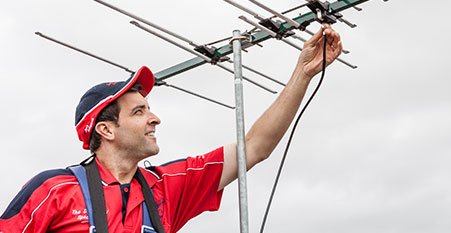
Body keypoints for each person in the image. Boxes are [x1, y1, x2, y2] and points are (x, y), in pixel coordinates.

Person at [0, 24, 342, 233]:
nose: (155, 119)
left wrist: (303, 74)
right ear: (106, 130)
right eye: (139, 112)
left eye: (150, 109)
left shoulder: (166, 188)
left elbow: (254, 146)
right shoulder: (53, 189)